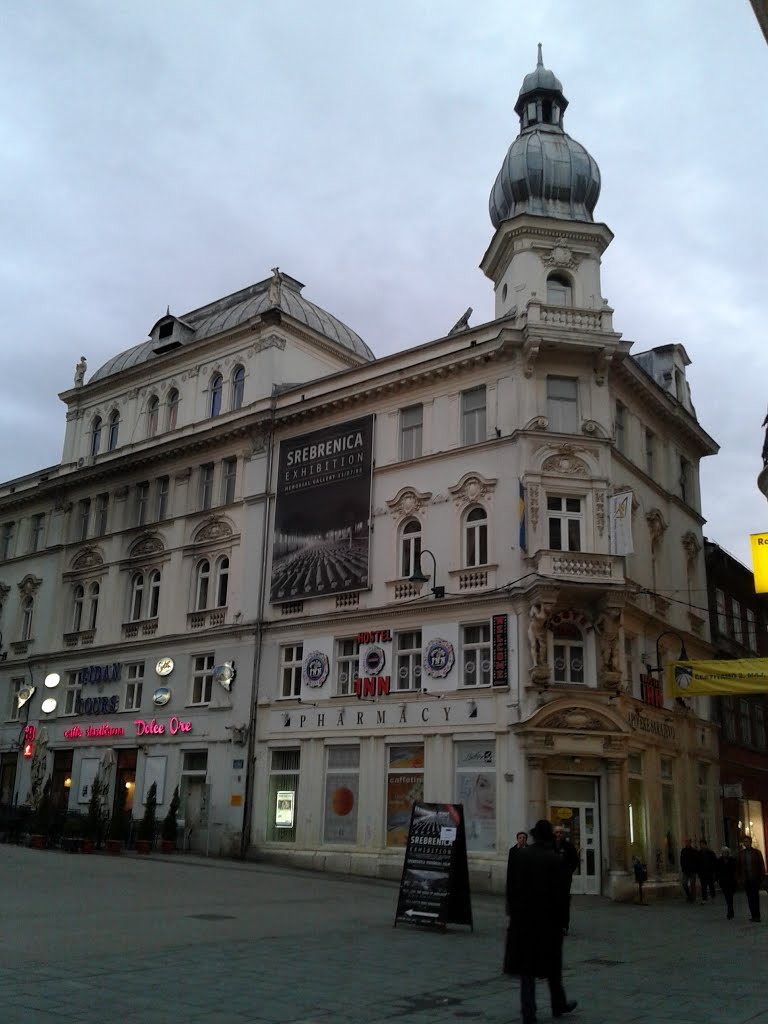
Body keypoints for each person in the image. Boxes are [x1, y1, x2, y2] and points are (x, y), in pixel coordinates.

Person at [504, 819, 578, 1023]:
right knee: (553, 966)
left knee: (526, 969)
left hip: (524, 921)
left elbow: (511, 886)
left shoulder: (521, 855)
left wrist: (512, 913)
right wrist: (563, 921)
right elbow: (562, 895)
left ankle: (529, 1012)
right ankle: (558, 1004)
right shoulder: (555, 859)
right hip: (548, 922)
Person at [554, 824, 579, 934]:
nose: (558, 834)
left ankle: (564, 925)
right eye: (556, 832)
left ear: (563, 834)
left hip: (564, 880)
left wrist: (567, 872)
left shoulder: (569, 846)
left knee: (564, 902)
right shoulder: (550, 846)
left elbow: (574, 861)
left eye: (560, 832)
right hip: (551, 879)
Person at [737, 835, 766, 922]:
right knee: (749, 898)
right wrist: (739, 878)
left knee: (755, 897)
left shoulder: (757, 853)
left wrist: (762, 877)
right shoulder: (741, 854)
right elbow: (738, 867)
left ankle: (757, 916)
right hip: (746, 879)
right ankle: (753, 915)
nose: (746, 843)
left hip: (755, 878)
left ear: (750, 842)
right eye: (745, 842)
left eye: (747, 841)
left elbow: (761, 865)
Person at [715, 846, 737, 920]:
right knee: (728, 897)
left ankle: (730, 911)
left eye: (726, 852)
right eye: (723, 852)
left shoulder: (732, 860)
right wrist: (717, 879)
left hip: (732, 881)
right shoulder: (719, 861)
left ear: (728, 853)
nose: (725, 854)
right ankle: (730, 911)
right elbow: (717, 871)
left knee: (730, 896)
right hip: (724, 881)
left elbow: (735, 870)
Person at [680, 838, 698, 903]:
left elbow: (696, 861)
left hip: (692, 870)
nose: (687, 843)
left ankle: (693, 898)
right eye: (686, 842)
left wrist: (696, 869)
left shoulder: (694, 851)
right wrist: (683, 867)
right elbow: (681, 860)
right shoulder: (683, 850)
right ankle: (689, 896)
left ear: (690, 842)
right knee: (684, 883)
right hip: (685, 870)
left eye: (688, 842)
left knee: (692, 885)